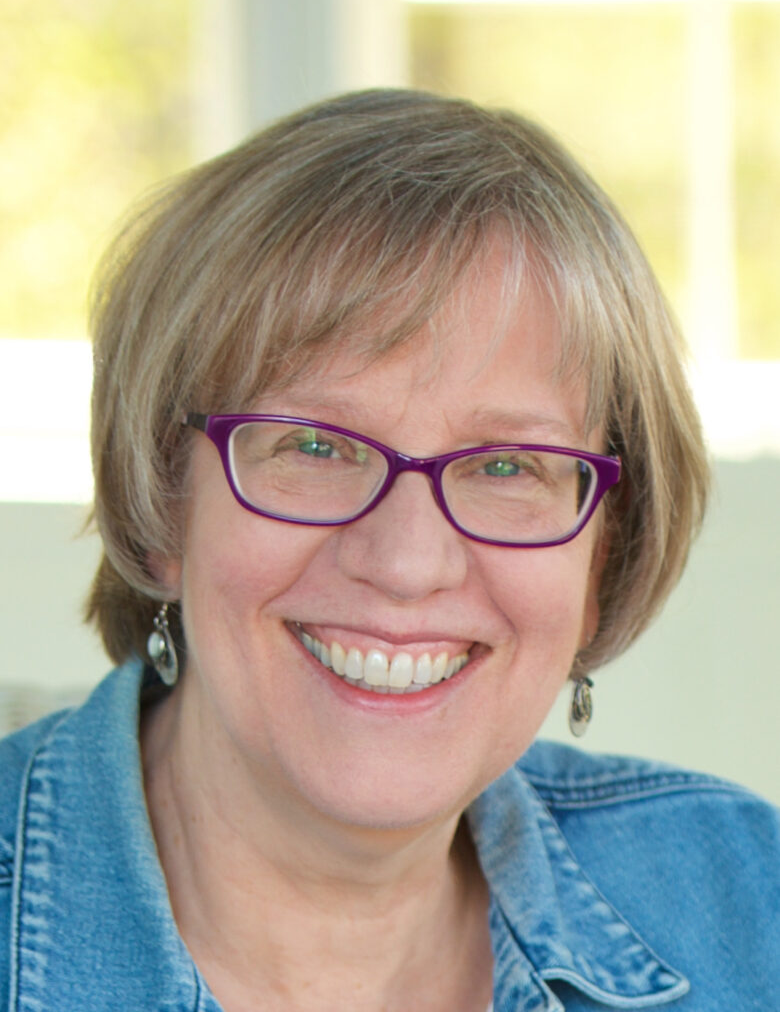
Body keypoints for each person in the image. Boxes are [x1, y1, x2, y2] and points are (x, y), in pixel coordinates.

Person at [0, 89, 777, 1012]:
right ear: (166, 506)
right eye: (315, 446)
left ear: (600, 561)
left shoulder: (746, 902)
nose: (408, 562)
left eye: (505, 464)